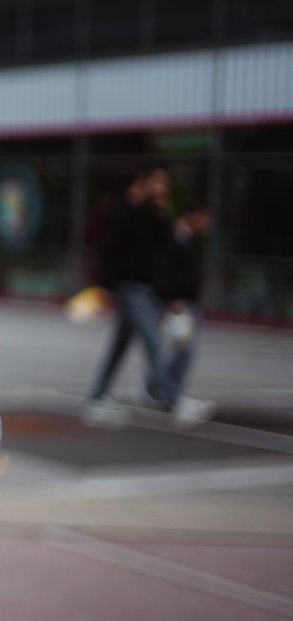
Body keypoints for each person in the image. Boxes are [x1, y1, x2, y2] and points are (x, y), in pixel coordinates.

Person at [83, 166, 210, 426]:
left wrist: (162, 211)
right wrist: (104, 286)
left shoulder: (149, 213)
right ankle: (172, 400)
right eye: (158, 183)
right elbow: (107, 249)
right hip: (128, 287)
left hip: (144, 288)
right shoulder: (121, 210)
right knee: (153, 340)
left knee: (120, 345)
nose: (162, 189)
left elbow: (162, 248)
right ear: (143, 181)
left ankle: (96, 398)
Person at [155, 206, 213, 425]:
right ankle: (171, 396)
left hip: (187, 303)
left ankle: (158, 386)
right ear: (194, 216)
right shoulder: (176, 238)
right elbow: (166, 268)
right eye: (205, 218)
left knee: (181, 351)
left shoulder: (191, 240)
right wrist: (174, 299)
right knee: (183, 351)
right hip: (179, 303)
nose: (208, 224)